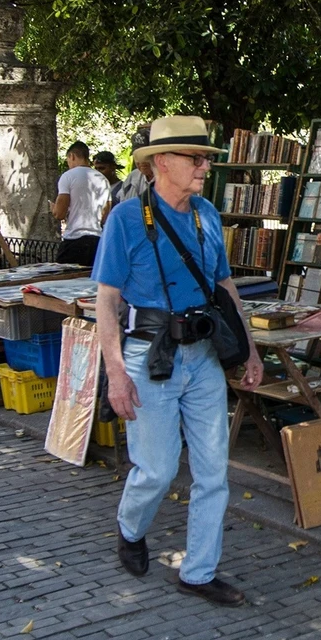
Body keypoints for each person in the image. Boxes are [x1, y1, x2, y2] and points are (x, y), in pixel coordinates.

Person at [94, 115, 263, 607]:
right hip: (150, 355)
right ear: (162, 162)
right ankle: (131, 527)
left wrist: (249, 348)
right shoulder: (126, 219)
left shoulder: (207, 214)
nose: (205, 166)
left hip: (204, 355)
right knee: (158, 470)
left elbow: (224, 286)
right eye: (196, 158)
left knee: (214, 472)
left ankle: (199, 571)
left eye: (206, 158)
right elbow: (107, 301)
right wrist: (115, 373)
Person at [52, 140, 110, 266]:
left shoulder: (68, 176)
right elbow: (105, 215)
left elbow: (59, 214)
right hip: (97, 240)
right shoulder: (103, 179)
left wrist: (54, 208)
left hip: (74, 239)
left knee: (64, 276)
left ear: (72, 156)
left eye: (68, 160)